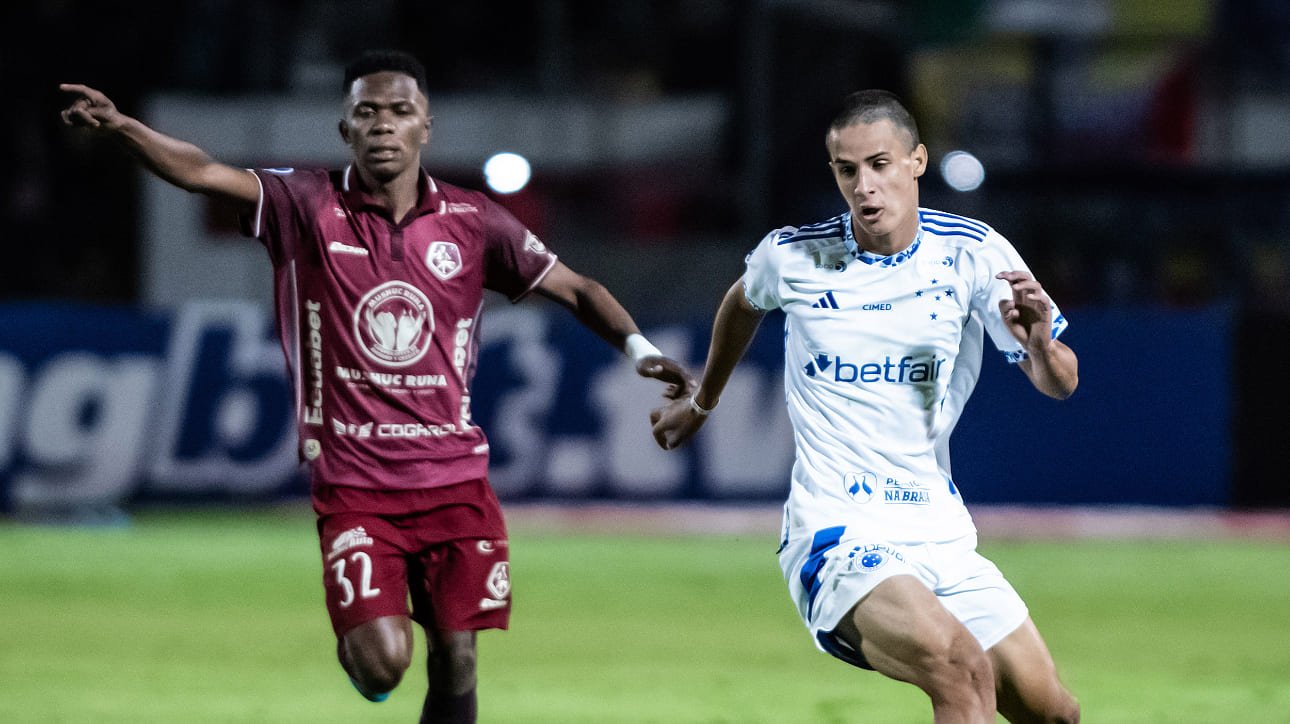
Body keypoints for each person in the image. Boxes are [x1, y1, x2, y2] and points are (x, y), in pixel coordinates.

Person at [60, 50, 692, 724]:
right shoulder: (305, 205)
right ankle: (368, 653)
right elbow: (202, 172)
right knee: (381, 662)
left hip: (456, 481)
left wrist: (640, 351)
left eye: (398, 112)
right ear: (345, 132)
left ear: (426, 126)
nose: (383, 126)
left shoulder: (473, 221)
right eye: (366, 114)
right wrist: (124, 127)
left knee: (459, 657)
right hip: (357, 486)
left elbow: (575, 287)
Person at [651, 89, 1081, 723]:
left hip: (940, 535)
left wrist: (1041, 346)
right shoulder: (793, 254)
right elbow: (743, 302)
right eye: (848, 170)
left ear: (916, 161)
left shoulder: (974, 253)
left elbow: (1060, 383)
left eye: (880, 164)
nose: (865, 186)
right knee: (960, 670)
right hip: (836, 532)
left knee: (1053, 714)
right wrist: (702, 401)